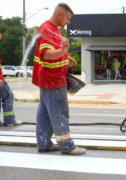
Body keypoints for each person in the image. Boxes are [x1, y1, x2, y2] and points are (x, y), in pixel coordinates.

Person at [32, 3, 86, 155]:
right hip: (53, 79)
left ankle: (44, 144)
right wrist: (62, 50)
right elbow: (47, 54)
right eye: (67, 19)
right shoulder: (47, 29)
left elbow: (53, 51)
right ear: (60, 14)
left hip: (48, 79)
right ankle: (67, 146)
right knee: (60, 112)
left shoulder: (53, 29)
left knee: (45, 113)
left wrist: (65, 56)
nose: (68, 22)